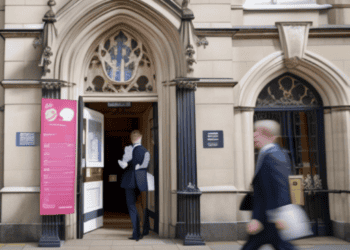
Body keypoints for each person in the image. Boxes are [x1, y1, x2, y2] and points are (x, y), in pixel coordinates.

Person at [242, 120, 298, 250]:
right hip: (266, 217)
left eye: (259, 133)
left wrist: (279, 216)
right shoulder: (266, 154)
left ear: (270, 136)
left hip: (271, 217)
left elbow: (281, 185)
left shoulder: (275, 155)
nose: (254, 136)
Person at [119, 130, 150, 241]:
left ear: (132, 138)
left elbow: (123, 165)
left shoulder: (129, 149)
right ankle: (144, 230)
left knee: (132, 206)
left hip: (130, 181)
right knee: (141, 205)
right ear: (141, 137)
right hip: (141, 180)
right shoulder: (146, 151)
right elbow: (145, 166)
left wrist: (122, 163)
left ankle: (136, 233)